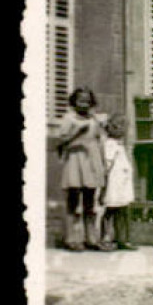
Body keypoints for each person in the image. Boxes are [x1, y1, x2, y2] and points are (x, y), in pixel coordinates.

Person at [56, 88, 105, 251]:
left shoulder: (94, 120)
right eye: (80, 101)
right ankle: (71, 237)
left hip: (90, 162)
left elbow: (98, 140)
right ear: (73, 102)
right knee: (73, 201)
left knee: (90, 201)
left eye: (87, 101)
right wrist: (77, 134)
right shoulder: (69, 119)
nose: (84, 104)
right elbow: (61, 142)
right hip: (75, 161)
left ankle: (91, 237)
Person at [97, 115, 136, 251]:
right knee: (109, 211)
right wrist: (104, 186)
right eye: (118, 127)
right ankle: (105, 238)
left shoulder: (120, 145)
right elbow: (107, 166)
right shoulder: (110, 145)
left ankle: (122, 239)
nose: (122, 130)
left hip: (121, 185)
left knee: (122, 211)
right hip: (113, 184)